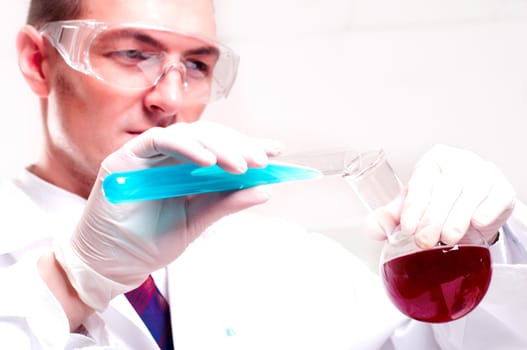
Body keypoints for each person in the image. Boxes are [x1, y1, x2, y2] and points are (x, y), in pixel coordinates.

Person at [1, 0, 526, 349]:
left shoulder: (285, 261)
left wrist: (488, 244)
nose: (170, 98)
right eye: (134, 54)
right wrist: (70, 283)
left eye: (198, 66)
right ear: (37, 61)